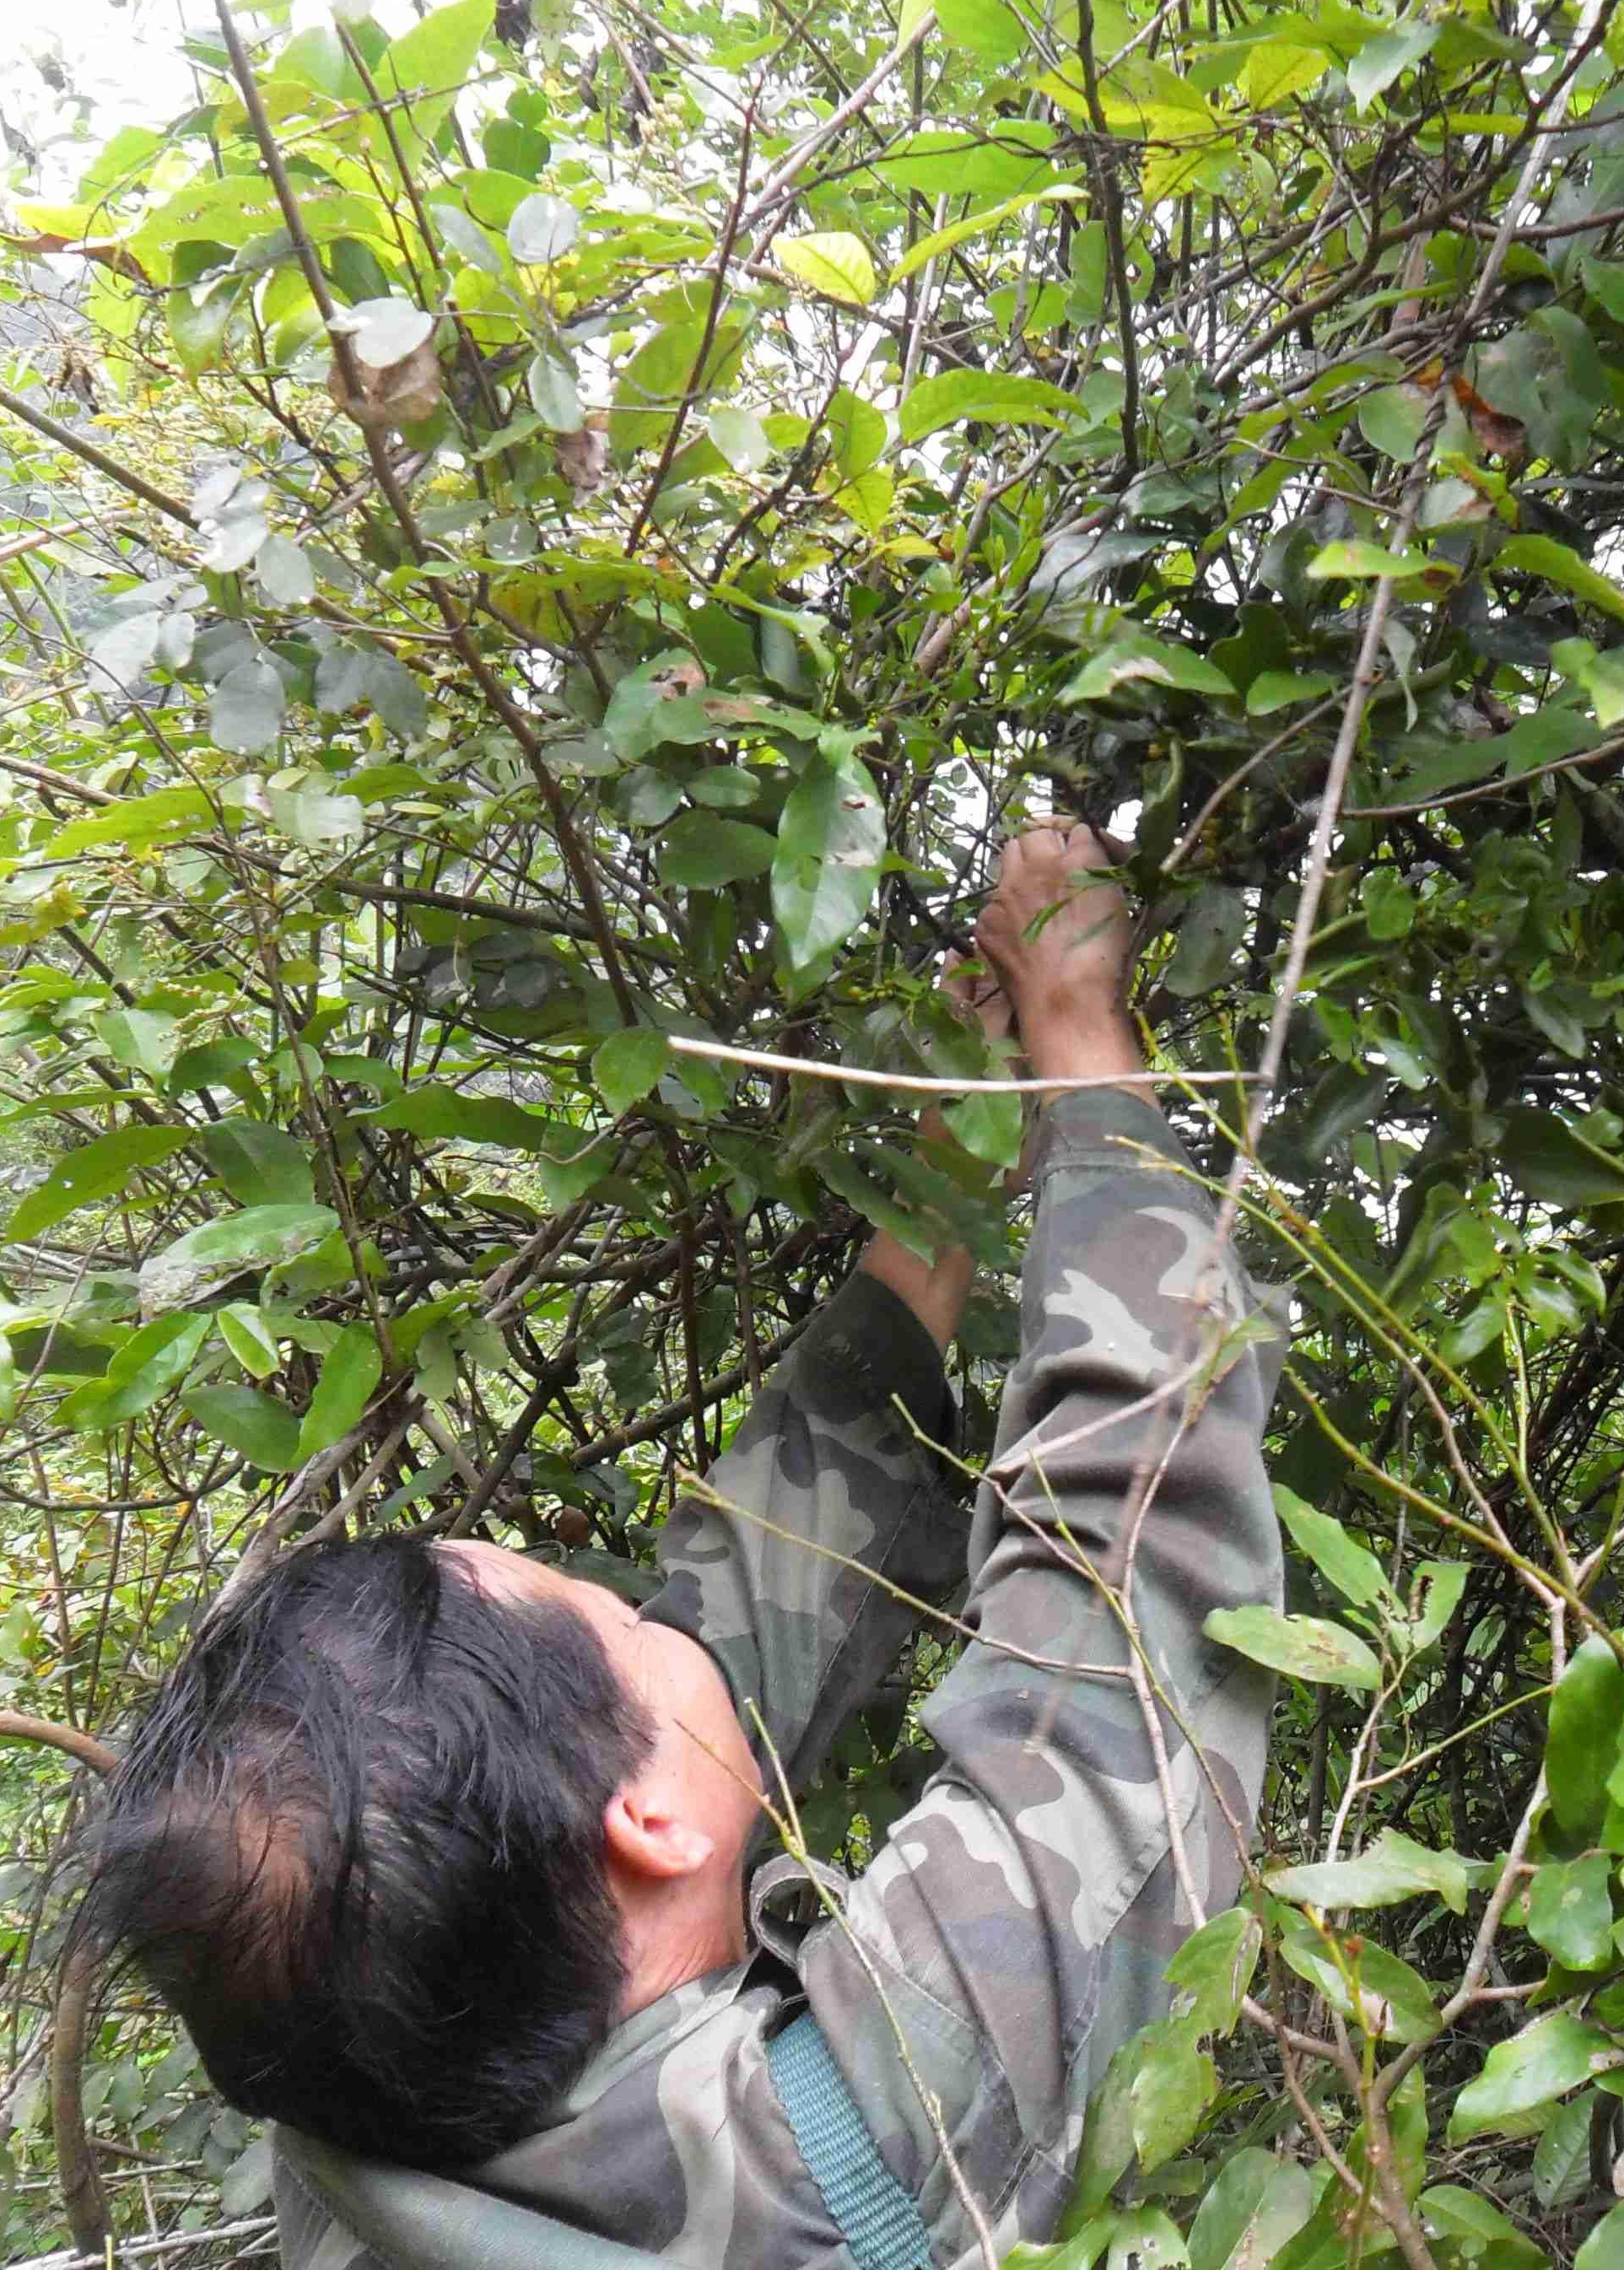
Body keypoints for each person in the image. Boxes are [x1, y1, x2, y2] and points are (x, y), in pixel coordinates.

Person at [71, 822, 1287, 2269]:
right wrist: (1084, 1036)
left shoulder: (352, 2104)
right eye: (625, 1620)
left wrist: (947, 1180)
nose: (668, 1615)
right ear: (644, 1824)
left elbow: (734, 1625)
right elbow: (1128, 1601)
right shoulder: (835, 2170)